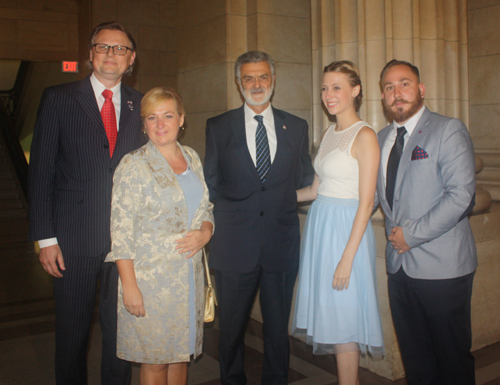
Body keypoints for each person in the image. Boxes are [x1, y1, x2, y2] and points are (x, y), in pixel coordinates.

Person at [28, 21, 145, 384]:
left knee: (121, 335)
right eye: (104, 47)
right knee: (73, 336)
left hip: (127, 244)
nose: (112, 54)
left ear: (131, 60)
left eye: (120, 49)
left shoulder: (142, 105)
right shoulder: (58, 98)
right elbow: (41, 172)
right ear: (90, 55)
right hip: (73, 240)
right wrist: (45, 238)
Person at [204, 51, 314, 384]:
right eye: (249, 78)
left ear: (273, 80)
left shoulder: (295, 127)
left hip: (281, 246)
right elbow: (211, 184)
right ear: (239, 84)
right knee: (232, 330)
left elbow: (306, 179)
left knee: (278, 331)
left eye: (263, 77)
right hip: (234, 247)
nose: (256, 84)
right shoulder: (219, 127)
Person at [376, 59, 477, 385]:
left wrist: (411, 235)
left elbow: (461, 195)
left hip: (443, 269)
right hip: (399, 269)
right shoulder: (380, 139)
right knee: (416, 363)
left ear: (421, 89)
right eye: (389, 87)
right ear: (383, 97)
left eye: (404, 83)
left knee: (452, 361)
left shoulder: (448, 129)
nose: (397, 93)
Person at [105, 87, 214, 384]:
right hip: (150, 282)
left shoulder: (191, 157)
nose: (160, 124)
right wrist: (130, 286)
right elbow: (121, 231)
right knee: (154, 362)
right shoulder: (133, 164)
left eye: (168, 115)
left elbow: (206, 208)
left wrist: (206, 232)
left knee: (180, 357)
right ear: (144, 124)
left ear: (181, 119)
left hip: (188, 279)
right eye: (152, 117)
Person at [292, 61, 384, 385]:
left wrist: (347, 258)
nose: (328, 95)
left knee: (344, 318)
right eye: (324, 88)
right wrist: (275, 197)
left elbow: (367, 202)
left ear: (355, 90)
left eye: (336, 87)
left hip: (347, 231)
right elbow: (315, 190)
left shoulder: (365, 136)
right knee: (332, 316)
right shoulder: (330, 132)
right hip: (322, 227)